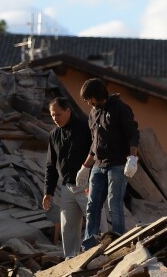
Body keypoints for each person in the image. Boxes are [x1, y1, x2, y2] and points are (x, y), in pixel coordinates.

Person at [77, 78, 140, 250]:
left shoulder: (120, 109)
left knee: (114, 205)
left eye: (88, 98)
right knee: (92, 205)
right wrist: (85, 167)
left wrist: (132, 158)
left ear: (96, 95)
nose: (87, 102)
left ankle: (119, 243)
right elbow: (94, 144)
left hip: (118, 165)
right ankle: (89, 245)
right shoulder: (93, 113)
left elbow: (133, 135)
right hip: (98, 165)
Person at [43, 97, 92, 259]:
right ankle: (71, 259)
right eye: (52, 115)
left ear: (68, 111)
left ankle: (101, 254)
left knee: (95, 223)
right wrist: (48, 192)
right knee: (68, 228)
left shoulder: (85, 128)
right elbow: (51, 166)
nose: (56, 118)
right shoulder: (54, 135)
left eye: (58, 114)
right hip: (67, 187)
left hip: (87, 184)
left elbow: (96, 153)